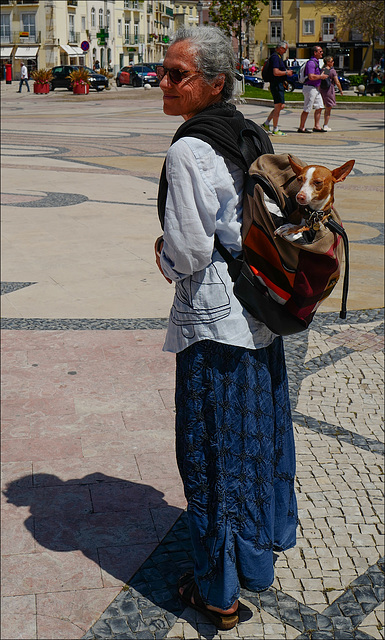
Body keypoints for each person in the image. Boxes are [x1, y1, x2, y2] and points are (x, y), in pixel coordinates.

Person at [154, 26, 297, 631]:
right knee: (253, 442)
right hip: (258, 316)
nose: (162, 83)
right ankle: (256, 557)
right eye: (162, 70)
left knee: (212, 453)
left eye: (176, 74)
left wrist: (160, 252)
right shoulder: (247, 129)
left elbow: (187, 252)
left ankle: (218, 592)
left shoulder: (189, 149)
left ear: (214, 83)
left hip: (214, 324)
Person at [261, 41, 293, 136]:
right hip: (276, 84)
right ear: (279, 48)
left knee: (280, 106)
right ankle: (275, 128)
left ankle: (266, 124)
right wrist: (287, 73)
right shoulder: (275, 57)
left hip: (278, 84)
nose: (285, 51)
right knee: (278, 106)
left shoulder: (278, 57)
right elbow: (276, 72)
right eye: (284, 49)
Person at [297, 46, 328, 133]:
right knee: (307, 108)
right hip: (310, 88)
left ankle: (316, 126)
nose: (322, 53)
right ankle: (301, 127)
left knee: (320, 106)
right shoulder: (311, 63)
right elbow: (311, 76)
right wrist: (321, 77)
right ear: (315, 53)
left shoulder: (316, 62)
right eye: (320, 51)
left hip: (315, 89)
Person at [320, 56, 343, 131]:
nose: (333, 62)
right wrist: (340, 90)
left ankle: (319, 124)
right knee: (328, 108)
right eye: (332, 61)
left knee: (323, 107)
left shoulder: (323, 70)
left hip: (322, 90)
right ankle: (325, 125)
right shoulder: (332, 71)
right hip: (329, 90)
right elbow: (337, 81)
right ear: (328, 62)